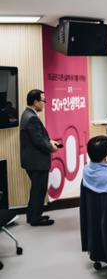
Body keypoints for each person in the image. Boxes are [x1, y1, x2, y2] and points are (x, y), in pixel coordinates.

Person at [19, 89, 60, 226]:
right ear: (36, 102)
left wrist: (50, 141)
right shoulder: (31, 118)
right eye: (43, 100)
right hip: (36, 162)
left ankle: (32, 216)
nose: (44, 103)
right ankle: (36, 219)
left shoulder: (27, 114)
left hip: (33, 161)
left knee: (36, 189)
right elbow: (38, 141)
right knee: (39, 190)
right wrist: (51, 147)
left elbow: (38, 137)